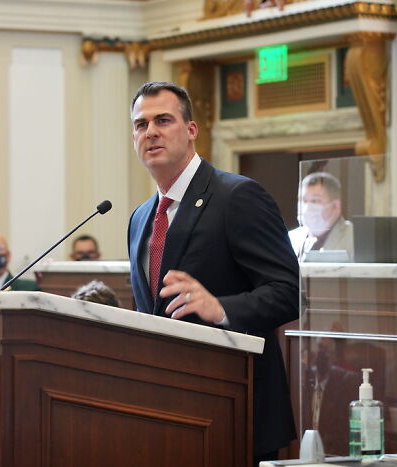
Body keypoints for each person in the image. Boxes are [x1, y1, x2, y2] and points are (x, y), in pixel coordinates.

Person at [127, 81, 299, 465]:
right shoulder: (140, 219)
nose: (150, 131)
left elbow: (289, 291)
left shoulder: (237, 196)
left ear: (190, 131)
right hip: (165, 411)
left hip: (233, 406)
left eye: (163, 120)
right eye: (140, 125)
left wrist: (220, 308)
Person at [289, 171, 354, 262]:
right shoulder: (291, 238)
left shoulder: (354, 238)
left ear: (336, 205)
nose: (307, 207)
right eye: (303, 200)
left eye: (315, 201)